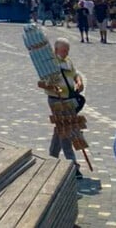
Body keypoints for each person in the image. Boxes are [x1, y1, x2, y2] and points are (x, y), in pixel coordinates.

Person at [37, 37, 84, 178]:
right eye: (64, 50)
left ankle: (52, 157)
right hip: (56, 100)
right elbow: (40, 83)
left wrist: (79, 82)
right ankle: (73, 166)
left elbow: (76, 75)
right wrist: (52, 87)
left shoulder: (68, 61)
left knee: (61, 129)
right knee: (66, 132)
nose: (66, 53)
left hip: (69, 100)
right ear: (56, 50)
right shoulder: (50, 64)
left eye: (67, 50)